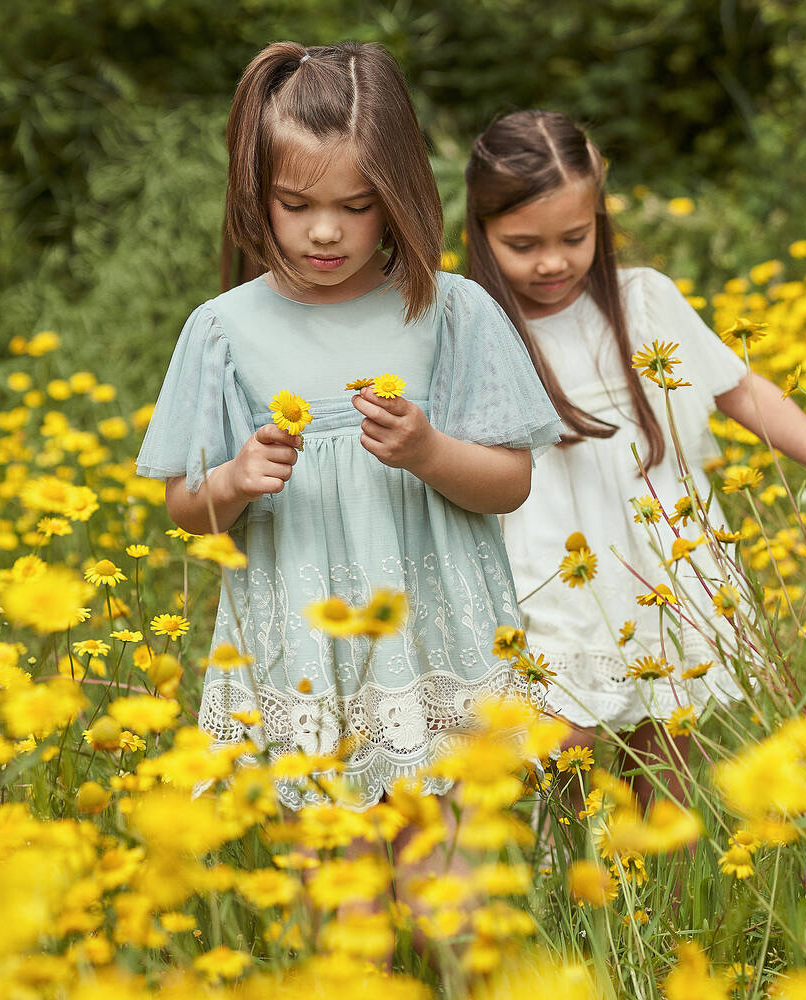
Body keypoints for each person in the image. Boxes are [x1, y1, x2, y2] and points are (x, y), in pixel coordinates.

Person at [135, 44, 562, 811]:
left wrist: (428, 451)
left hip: (436, 645)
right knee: (332, 871)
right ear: (255, 192)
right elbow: (186, 507)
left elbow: (511, 484)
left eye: (356, 206)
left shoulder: (451, 312)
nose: (325, 232)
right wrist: (233, 481)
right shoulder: (224, 330)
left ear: (398, 194)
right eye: (295, 205)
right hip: (306, 654)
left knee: (445, 866)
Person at [464, 110, 806, 804]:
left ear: (599, 220)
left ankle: (662, 861)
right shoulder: (471, 326)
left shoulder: (644, 300)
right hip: (546, 565)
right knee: (561, 741)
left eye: (574, 237)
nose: (552, 262)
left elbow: (738, 388)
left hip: (659, 554)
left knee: (665, 736)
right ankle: (567, 864)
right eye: (523, 244)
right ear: (480, 232)